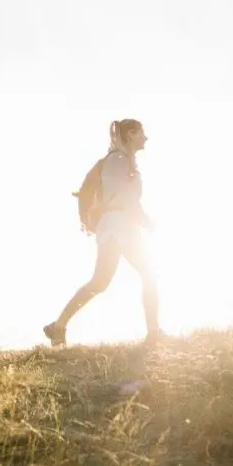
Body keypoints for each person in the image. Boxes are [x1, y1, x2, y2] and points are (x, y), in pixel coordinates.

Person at [44, 118, 163, 347]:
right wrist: (146, 221)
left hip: (113, 225)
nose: (145, 137)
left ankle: (57, 327)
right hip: (121, 225)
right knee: (149, 274)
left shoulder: (123, 160)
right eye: (141, 132)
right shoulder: (119, 161)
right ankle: (154, 334)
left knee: (99, 282)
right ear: (130, 135)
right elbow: (123, 198)